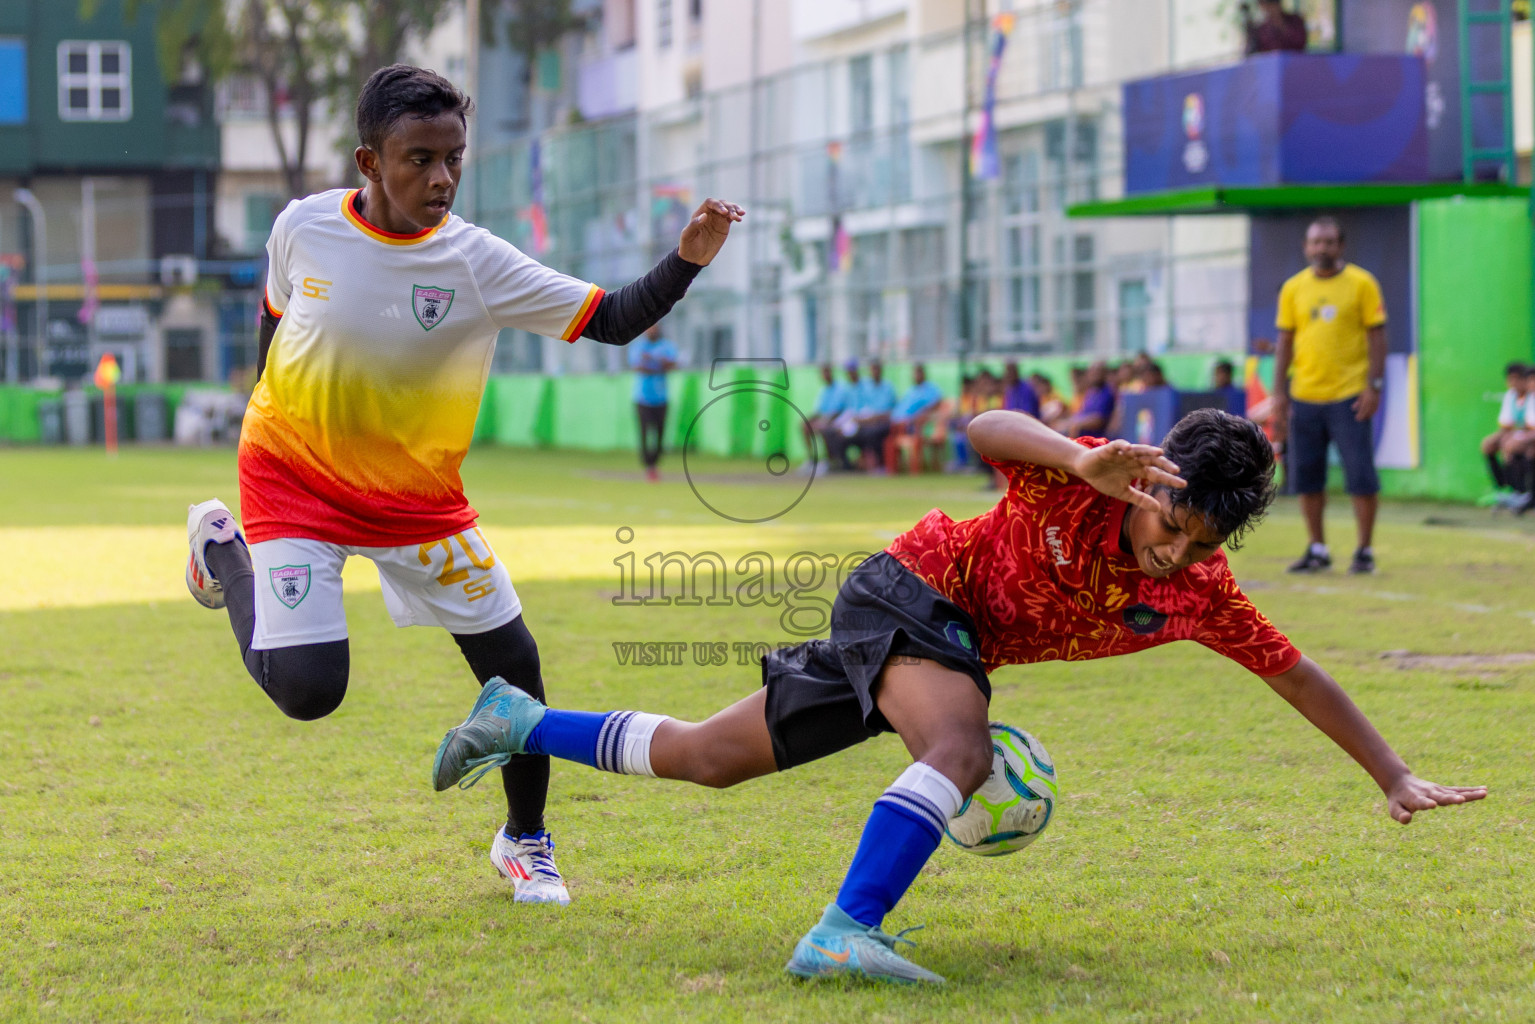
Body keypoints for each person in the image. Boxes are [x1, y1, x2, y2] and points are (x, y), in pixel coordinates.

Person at [430, 407, 1485, 984]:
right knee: (960, 749)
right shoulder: (1085, 477)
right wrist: (1079, 453)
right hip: (913, 590)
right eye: (1171, 527)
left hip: (928, 638)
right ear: (1151, 485)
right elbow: (985, 426)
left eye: (1198, 543)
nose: (1174, 555)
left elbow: (1295, 673)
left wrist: (1389, 773)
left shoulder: (1199, 593)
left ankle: (515, 720)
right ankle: (846, 929)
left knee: (708, 756)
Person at [182, 64, 743, 905]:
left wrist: (686, 259)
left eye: (453, 159)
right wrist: (274, 415)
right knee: (307, 693)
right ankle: (223, 550)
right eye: (419, 160)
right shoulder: (303, 225)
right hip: (293, 482)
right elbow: (274, 314)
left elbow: (616, 318)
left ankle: (524, 840)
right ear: (369, 162)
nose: (440, 178)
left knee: (514, 668)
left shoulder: (476, 261)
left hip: (417, 502)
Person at [1271, 216, 1386, 575]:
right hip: (1305, 396)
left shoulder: (1362, 283)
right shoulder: (1292, 288)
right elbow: (1285, 342)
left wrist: (1374, 386)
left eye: (1329, 242)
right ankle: (1317, 548)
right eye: (1315, 242)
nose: (1322, 248)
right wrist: (1279, 394)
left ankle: (1364, 550)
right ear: (1306, 247)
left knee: (1360, 476)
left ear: (1341, 246)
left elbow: (1377, 337)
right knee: (1306, 477)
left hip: (1350, 396)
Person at [630, 323, 678, 481]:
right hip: (642, 397)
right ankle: (648, 466)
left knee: (659, 433)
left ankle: (655, 464)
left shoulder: (666, 345)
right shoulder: (638, 346)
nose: (651, 330)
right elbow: (639, 367)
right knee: (644, 432)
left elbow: (673, 365)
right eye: (648, 328)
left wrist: (652, 360)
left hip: (661, 397)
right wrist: (660, 364)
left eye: (654, 328)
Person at [882, 363, 945, 474]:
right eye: (915, 373)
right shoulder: (911, 391)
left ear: (924, 374)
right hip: (899, 424)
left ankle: (910, 468)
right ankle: (891, 468)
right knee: (886, 438)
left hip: (916, 426)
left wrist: (922, 414)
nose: (916, 375)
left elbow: (937, 403)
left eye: (919, 373)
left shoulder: (930, 389)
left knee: (886, 433)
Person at [1480, 362, 1528, 497]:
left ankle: (1518, 491)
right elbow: (1506, 425)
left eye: (1516, 379)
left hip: (1526, 436)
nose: (1513, 382)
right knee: (1487, 445)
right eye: (1510, 379)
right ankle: (1501, 487)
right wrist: (1498, 437)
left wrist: (1512, 433)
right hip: (1515, 434)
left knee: (1509, 446)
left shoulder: (1531, 396)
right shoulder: (1510, 396)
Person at [804, 363, 851, 470]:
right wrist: (808, 419)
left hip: (838, 420)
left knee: (823, 428)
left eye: (827, 371)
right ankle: (811, 459)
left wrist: (825, 420)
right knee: (805, 426)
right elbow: (819, 410)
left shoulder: (840, 388)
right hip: (825, 419)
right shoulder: (824, 391)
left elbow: (839, 410)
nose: (825, 375)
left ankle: (828, 460)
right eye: (823, 372)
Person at [1065, 362, 1116, 438]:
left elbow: (1098, 420)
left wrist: (1076, 423)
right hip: (1082, 432)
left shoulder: (1107, 392)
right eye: (1092, 371)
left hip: (1095, 438)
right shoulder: (1091, 392)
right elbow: (1081, 413)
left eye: (1097, 371)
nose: (1094, 374)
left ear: (1104, 373)